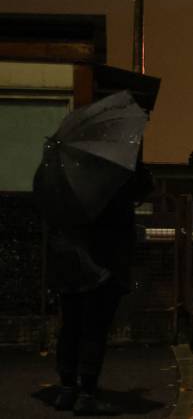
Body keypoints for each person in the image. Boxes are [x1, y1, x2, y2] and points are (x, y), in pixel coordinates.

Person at [36, 161, 153, 415]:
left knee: (71, 328)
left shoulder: (64, 176)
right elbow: (140, 191)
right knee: (93, 331)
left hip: (69, 264)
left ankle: (67, 389)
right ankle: (87, 394)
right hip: (100, 266)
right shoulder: (110, 175)